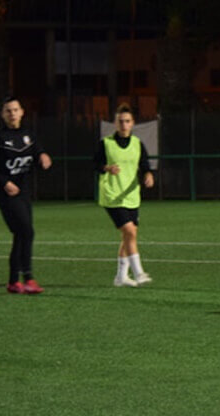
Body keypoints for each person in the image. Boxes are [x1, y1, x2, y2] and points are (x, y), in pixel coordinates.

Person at [0, 95, 52, 294]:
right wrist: (5, 182)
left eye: (15, 110)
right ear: (2, 115)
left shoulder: (29, 135)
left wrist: (43, 155)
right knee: (27, 232)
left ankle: (14, 281)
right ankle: (29, 278)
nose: (12, 114)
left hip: (24, 193)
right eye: (8, 111)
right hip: (7, 194)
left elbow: (38, 151)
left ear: (22, 112)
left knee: (20, 235)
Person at [94, 103, 155, 287]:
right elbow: (95, 163)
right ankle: (138, 272)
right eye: (120, 121)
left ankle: (121, 277)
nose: (124, 124)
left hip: (131, 196)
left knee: (130, 235)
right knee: (129, 231)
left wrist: (148, 174)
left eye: (127, 121)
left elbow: (144, 164)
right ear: (115, 123)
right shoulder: (106, 144)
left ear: (132, 123)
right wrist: (106, 168)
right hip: (112, 195)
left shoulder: (137, 144)